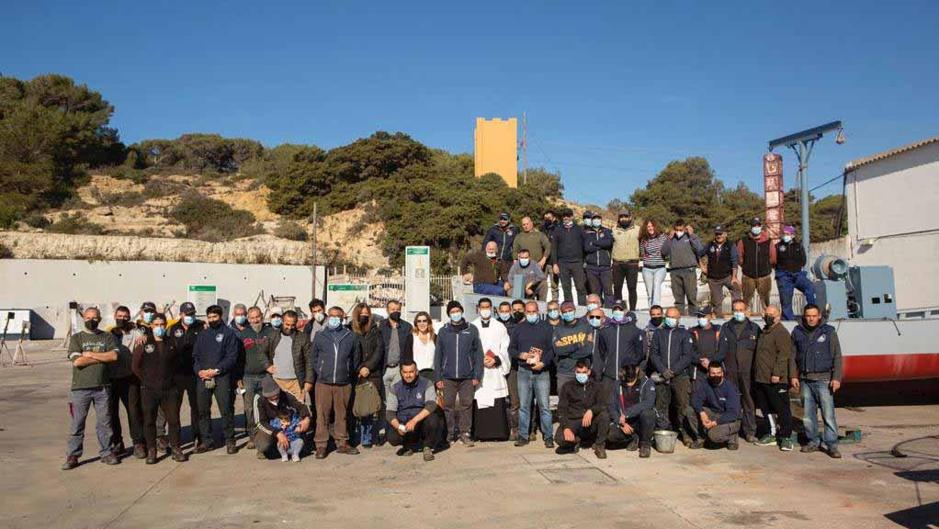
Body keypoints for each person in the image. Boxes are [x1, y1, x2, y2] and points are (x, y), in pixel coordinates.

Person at [62, 307, 121, 470]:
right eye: (88, 317)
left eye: (94, 317)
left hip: (102, 387)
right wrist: (102, 358)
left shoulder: (107, 336)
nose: (91, 320)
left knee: (104, 422)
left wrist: (90, 354)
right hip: (80, 388)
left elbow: (114, 356)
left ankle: (107, 452)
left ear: (99, 319)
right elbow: (77, 361)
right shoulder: (77, 338)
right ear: (84, 319)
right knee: (77, 423)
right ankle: (73, 455)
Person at [132, 313, 187, 463]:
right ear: (151, 326)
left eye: (162, 324)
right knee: (149, 420)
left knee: (173, 420)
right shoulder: (144, 343)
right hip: (149, 389)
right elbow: (135, 366)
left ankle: (176, 448)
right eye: (156, 325)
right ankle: (152, 450)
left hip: (169, 390)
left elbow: (178, 364)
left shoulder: (172, 343)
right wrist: (147, 380)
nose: (159, 327)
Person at [791, 304, 843, 458]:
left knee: (828, 415)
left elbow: (837, 356)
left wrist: (836, 378)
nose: (811, 318)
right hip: (805, 380)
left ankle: (832, 444)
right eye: (808, 315)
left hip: (824, 380)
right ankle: (813, 441)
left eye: (814, 315)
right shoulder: (797, 332)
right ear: (804, 316)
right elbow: (792, 357)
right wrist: (793, 376)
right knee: (807, 415)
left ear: (819, 316)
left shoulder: (829, 332)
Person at [311, 306, 362, 458]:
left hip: (343, 383)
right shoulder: (320, 336)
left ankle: (342, 442)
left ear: (342, 318)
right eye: (331, 316)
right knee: (322, 415)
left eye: (337, 316)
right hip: (323, 383)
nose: (334, 319)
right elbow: (313, 357)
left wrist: (346, 372)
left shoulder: (350, 336)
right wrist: (320, 371)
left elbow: (355, 359)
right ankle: (321, 445)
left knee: (342, 414)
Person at [433, 301, 484, 446]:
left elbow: (478, 354)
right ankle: (449, 433)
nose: (455, 314)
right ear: (449, 314)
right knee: (448, 406)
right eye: (452, 312)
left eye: (457, 311)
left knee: (466, 405)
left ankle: (465, 432)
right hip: (447, 376)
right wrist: (438, 377)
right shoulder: (444, 331)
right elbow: (438, 355)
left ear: (461, 311)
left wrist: (477, 375)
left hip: (467, 377)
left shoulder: (471, 329)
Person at [650, 306, 701, 448]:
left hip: (680, 376)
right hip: (662, 376)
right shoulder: (658, 333)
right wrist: (663, 370)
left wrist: (673, 371)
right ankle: (663, 433)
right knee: (661, 405)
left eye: (673, 317)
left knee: (682, 406)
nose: (670, 319)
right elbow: (654, 354)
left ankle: (685, 433)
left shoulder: (685, 334)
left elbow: (687, 356)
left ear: (679, 319)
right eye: (668, 316)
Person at [193, 304, 239, 454]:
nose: (212, 319)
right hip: (203, 377)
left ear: (221, 317)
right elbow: (195, 356)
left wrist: (217, 370)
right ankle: (207, 441)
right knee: (203, 410)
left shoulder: (229, 334)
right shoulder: (202, 335)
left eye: (215, 317)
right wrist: (199, 371)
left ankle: (230, 440)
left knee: (225, 409)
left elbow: (232, 357)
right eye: (210, 317)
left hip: (221, 377)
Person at [508, 301, 556, 448]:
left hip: (542, 371)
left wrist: (543, 363)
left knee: (544, 406)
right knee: (524, 406)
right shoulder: (518, 328)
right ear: (525, 312)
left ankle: (548, 436)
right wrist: (520, 355)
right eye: (528, 312)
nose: (531, 314)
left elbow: (552, 350)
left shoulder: (546, 327)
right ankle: (523, 435)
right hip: (523, 371)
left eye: (533, 311)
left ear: (538, 311)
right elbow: (511, 349)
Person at [717, 299, 761, 443]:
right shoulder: (726, 327)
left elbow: (758, 353)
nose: (738, 313)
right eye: (736, 310)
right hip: (730, 371)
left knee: (748, 402)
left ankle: (749, 431)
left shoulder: (754, 328)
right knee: (731, 402)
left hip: (747, 372)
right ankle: (731, 432)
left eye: (741, 310)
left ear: (746, 311)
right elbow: (721, 350)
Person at [163, 301, 203, 451]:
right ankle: (175, 440)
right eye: (187, 314)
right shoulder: (172, 329)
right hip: (177, 375)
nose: (190, 316)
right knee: (174, 409)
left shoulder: (200, 327)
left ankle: (198, 437)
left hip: (194, 374)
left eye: (192, 314)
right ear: (181, 314)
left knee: (197, 408)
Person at [753, 305, 795, 451]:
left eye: (771, 314)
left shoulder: (781, 332)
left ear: (778, 315)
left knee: (782, 409)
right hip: (761, 378)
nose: (768, 316)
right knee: (766, 409)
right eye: (766, 313)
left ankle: (786, 437)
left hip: (776, 379)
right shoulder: (765, 331)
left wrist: (777, 373)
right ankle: (772, 433)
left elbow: (784, 355)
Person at [108, 306, 146, 459]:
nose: (122, 318)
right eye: (119, 315)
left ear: (129, 317)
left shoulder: (136, 332)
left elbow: (146, 339)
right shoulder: (110, 334)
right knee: (111, 413)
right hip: (112, 378)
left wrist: (144, 337)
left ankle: (138, 442)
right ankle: (117, 443)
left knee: (134, 410)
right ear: (115, 316)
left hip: (130, 378)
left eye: (125, 316)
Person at [471, 298, 512, 441]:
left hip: (495, 370)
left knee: (496, 402)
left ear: (492, 308)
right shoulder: (472, 326)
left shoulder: (500, 326)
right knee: (480, 400)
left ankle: (498, 433)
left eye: (487, 307)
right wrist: (479, 360)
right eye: (482, 307)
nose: (485, 310)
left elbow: (505, 347)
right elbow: (469, 348)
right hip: (480, 369)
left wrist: (496, 359)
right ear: (478, 308)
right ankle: (480, 433)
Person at [386, 361, 442, 461]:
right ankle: (408, 446)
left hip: (421, 421)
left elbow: (431, 404)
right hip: (404, 423)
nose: (408, 375)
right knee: (392, 436)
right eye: (405, 372)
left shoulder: (427, 383)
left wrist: (414, 421)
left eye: (411, 372)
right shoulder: (395, 388)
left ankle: (427, 446)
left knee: (433, 419)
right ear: (401, 373)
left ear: (416, 371)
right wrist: (398, 426)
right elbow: (390, 412)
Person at [555, 360, 609, 459]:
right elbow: (561, 409)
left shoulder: (597, 386)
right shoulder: (567, 387)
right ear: (575, 372)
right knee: (560, 439)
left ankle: (599, 445)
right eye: (578, 372)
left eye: (583, 372)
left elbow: (602, 404)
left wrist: (591, 410)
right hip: (573, 420)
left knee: (604, 415)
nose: (581, 375)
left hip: (590, 421)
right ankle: (576, 441)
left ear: (588, 372)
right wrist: (566, 427)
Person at [350, 303, 385, 448]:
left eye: (366, 314)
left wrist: (368, 367)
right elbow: (350, 354)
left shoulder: (375, 330)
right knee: (359, 407)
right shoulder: (350, 330)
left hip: (373, 374)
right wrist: (359, 369)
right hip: (356, 374)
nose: (364, 316)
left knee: (372, 407)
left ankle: (370, 437)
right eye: (361, 314)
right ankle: (358, 435)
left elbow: (379, 350)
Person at [255, 375, 312, 462]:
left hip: (288, 427)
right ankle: (267, 449)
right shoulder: (259, 399)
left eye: (276, 395)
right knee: (264, 445)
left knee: (302, 432)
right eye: (271, 397)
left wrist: (306, 419)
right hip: (270, 428)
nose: (274, 398)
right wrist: (278, 433)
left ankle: (293, 449)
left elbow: (301, 406)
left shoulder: (286, 394)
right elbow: (260, 422)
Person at [379, 300, 413, 442]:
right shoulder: (381, 326)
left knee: (398, 402)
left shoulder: (406, 327)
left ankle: (397, 431)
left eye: (398, 309)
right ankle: (383, 431)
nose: (395, 311)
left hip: (400, 370)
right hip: (385, 369)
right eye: (392, 309)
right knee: (385, 402)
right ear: (387, 310)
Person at [241, 306, 274, 452]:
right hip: (248, 377)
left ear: (262, 316)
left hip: (266, 376)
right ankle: (252, 437)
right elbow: (238, 358)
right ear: (248, 319)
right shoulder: (243, 334)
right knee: (249, 408)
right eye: (252, 318)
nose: (255, 320)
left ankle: (266, 435)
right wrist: (238, 378)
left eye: (257, 317)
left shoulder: (270, 332)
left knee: (266, 407)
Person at [597, 300, 642, 406]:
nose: (617, 311)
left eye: (620, 309)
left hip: (627, 374)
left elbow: (640, 353)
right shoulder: (605, 330)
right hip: (609, 374)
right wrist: (605, 367)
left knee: (627, 402)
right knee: (607, 402)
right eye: (615, 309)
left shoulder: (634, 330)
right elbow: (601, 351)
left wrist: (630, 366)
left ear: (625, 311)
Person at [607, 363, 656, 458]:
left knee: (648, 413)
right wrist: (620, 423)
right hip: (625, 422)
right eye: (627, 381)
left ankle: (645, 445)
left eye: (631, 381)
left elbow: (649, 402)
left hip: (640, 421)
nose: (629, 384)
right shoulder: (617, 384)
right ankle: (633, 438)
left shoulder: (647, 383)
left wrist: (627, 413)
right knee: (609, 435)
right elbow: (611, 406)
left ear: (637, 371)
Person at [692, 362, 742, 449]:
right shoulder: (706, 384)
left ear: (722, 373)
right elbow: (695, 399)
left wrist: (715, 423)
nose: (716, 375)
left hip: (730, 419)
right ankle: (701, 438)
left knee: (713, 435)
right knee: (690, 411)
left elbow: (733, 413)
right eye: (713, 373)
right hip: (714, 413)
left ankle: (732, 437)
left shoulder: (730, 388)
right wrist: (702, 413)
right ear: (708, 374)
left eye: (719, 373)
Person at [661, 218, 705, 316]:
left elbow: (700, 250)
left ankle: (693, 319)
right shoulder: (671, 239)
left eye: (681, 230)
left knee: (691, 298)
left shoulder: (690, 237)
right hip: (675, 271)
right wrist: (669, 238)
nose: (678, 232)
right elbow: (664, 252)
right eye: (676, 230)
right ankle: (679, 320)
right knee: (678, 300)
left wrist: (692, 235)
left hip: (689, 271)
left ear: (685, 229)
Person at [269, 310, 314, 402]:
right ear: (282, 321)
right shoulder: (273, 336)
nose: (289, 327)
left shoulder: (303, 338)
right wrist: (267, 366)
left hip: (296, 382)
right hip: (277, 381)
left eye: (292, 325)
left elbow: (309, 361)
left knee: (300, 411)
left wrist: (308, 381)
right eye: (287, 324)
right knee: (281, 412)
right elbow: (262, 353)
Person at [775, 225, 816, 320]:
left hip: (797, 274)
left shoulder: (798, 246)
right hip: (784, 275)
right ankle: (788, 319)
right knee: (786, 299)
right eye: (784, 234)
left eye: (787, 234)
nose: (785, 236)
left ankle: (812, 310)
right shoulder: (778, 246)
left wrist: (797, 268)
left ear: (792, 235)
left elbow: (803, 260)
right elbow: (773, 260)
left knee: (809, 287)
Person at [737, 217, 776, 312]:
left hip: (764, 276)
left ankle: (768, 319)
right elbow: (739, 257)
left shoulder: (768, 241)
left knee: (765, 302)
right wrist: (746, 266)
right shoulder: (743, 241)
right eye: (754, 225)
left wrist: (765, 266)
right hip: (748, 276)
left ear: (761, 226)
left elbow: (773, 258)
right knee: (746, 301)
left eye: (758, 225)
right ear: (751, 227)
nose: (756, 227)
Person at [553, 301, 593, 392]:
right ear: (561, 313)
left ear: (574, 310)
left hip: (582, 370)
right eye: (565, 312)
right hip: (564, 372)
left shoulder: (585, 326)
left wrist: (567, 350)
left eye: (570, 310)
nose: (568, 313)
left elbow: (588, 349)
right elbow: (558, 351)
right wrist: (578, 345)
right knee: (564, 401)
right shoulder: (558, 329)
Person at [702, 225, 741, 318]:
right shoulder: (709, 245)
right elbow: (699, 254)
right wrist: (702, 266)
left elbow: (734, 261)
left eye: (720, 234)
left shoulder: (731, 245)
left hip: (727, 276)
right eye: (717, 234)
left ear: (725, 234)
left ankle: (737, 312)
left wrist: (734, 277)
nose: (719, 236)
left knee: (736, 289)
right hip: (713, 278)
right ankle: (718, 317)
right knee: (717, 301)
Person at [551, 208, 587, 305]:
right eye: (564, 216)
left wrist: (584, 260)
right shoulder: (557, 230)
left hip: (577, 263)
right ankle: (569, 308)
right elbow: (554, 248)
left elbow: (585, 246)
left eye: (568, 215)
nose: (566, 217)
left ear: (572, 216)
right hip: (563, 263)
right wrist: (555, 263)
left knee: (580, 287)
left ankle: (582, 309)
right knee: (566, 288)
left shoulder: (579, 229)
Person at [583, 212, 615, 306]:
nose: (596, 220)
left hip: (605, 267)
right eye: (594, 219)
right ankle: (598, 311)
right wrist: (601, 244)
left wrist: (595, 243)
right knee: (595, 293)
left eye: (598, 218)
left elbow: (608, 243)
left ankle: (608, 311)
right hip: (591, 267)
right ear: (592, 220)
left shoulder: (607, 231)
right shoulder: (587, 233)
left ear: (601, 220)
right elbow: (587, 248)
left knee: (608, 291)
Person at [611, 210, 641, 311]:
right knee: (617, 287)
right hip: (617, 264)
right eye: (621, 216)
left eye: (626, 216)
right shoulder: (613, 229)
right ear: (619, 218)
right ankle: (618, 310)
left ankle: (632, 311)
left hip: (632, 263)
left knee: (632, 288)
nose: (623, 218)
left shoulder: (638, 229)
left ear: (630, 217)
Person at [639, 219, 669, 307]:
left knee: (656, 286)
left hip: (660, 268)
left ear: (655, 227)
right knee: (649, 292)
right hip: (647, 268)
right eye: (648, 226)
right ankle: (651, 311)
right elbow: (642, 253)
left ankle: (656, 308)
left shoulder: (663, 237)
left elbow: (667, 250)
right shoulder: (644, 240)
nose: (650, 228)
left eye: (652, 226)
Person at [690, 307, 722, 387]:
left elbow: (722, 350)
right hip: (698, 372)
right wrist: (701, 361)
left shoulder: (718, 330)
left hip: (715, 371)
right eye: (699, 316)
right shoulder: (692, 331)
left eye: (703, 316)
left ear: (710, 317)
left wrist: (711, 362)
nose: (701, 318)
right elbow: (689, 350)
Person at [541, 209, 561, 300]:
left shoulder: (559, 228)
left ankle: (555, 303)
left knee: (554, 286)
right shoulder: (542, 228)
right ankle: (541, 302)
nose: (547, 219)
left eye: (549, 217)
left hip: (554, 261)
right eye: (545, 217)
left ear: (554, 218)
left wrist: (556, 262)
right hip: (543, 261)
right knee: (541, 284)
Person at [411, 312, 436, 379]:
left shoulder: (434, 337)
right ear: (416, 323)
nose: (422, 324)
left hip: (432, 374)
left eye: (424, 321)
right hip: (416, 374)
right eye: (419, 321)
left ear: (429, 323)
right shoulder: (411, 337)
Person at [641, 305, 665, 373]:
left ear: (662, 314)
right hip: (651, 362)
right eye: (653, 315)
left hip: (665, 362)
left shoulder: (667, 329)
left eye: (658, 314)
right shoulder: (646, 330)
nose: (656, 317)